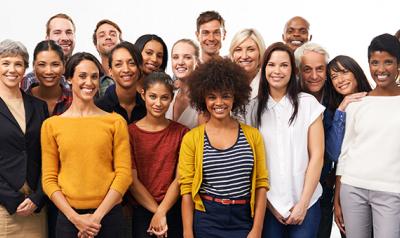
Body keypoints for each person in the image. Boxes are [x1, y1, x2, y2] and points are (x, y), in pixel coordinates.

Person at [41, 52, 132, 238]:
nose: (89, 83)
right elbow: (49, 180)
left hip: (109, 217)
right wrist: (75, 218)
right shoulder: (52, 125)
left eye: (94, 76)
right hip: (69, 220)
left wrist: (96, 218)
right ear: (69, 79)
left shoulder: (115, 121)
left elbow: (124, 175)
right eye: (82, 76)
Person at [179, 58, 268, 238]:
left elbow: (261, 184)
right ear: (202, 98)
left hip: (243, 218)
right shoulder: (192, 139)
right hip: (207, 218)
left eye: (225, 95)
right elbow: (186, 189)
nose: (219, 102)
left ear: (235, 97)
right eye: (212, 97)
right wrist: (188, 233)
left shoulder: (253, 136)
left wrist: (257, 229)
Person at [247, 42, 324, 238]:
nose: (277, 71)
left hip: (307, 203)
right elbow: (252, 162)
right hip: (269, 204)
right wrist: (270, 204)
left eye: (284, 65)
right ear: (263, 69)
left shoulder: (308, 104)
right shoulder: (252, 109)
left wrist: (303, 204)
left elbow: (317, 155)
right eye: (271, 65)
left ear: (293, 70)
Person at [337, 33, 400, 238]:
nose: (380, 70)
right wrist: (337, 195)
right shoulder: (358, 103)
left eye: (388, 62)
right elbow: (345, 153)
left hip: (392, 190)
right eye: (375, 62)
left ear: (398, 64)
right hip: (353, 188)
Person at [129, 72, 189, 238]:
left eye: (164, 97)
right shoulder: (130, 133)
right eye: (153, 96)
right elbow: (132, 181)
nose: (158, 103)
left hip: (173, 209)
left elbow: (180, 178)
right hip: (142, 210)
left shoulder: (182, 133)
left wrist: (162, 211)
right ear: (143, 95)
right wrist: (158, 213)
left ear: (171, 98)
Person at [0, 39, 48, 237]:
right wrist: (12, 198)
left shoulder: (38, 106)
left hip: (35, 207)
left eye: (18, 64)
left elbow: (47, 155)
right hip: (3, 207)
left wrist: (38, 198)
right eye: (5, 63)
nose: (12, 69)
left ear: (26, 69)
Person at [322, 55, 372, 237]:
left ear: (356, 71)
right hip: (350, 187)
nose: (340, 80)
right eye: (334, 77)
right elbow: (336, 154)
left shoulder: (377, 99)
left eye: (344, 72)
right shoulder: (334, 111)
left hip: (381, 186)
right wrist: (341, 110)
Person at [294, 42, 336, 238]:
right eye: (307, 70)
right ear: (298, 71)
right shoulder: (289, 100)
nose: (314, 76)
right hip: (293, 188)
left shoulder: (336, 99)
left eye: (320, 69)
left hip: (325, 187)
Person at [21, 13, 76, 91]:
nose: (65, 38)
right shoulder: (31, 79)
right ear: (47, 39)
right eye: (57, 33)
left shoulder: (83, 74)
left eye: (69, 32)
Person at [96, 41, 146, 124]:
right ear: (110, 71)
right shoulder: (99, 108)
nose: (126, 69)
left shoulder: (147, 106)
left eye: (132, 63)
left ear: (140, 68)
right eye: (118, 64)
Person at [27, 40, 72, 116]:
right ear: (34, 66)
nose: (48, 71)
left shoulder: (74, 100)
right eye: (42, 64)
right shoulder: (22, 99)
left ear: (64, 66)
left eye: (55, 64)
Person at [166, 39, 202, 129]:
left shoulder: (203, 99)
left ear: (196, 62)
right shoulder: (168, 94)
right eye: (175, 57)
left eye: (187, 57)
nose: (180, 62)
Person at [229, 28, 266, 109]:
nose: (244, 56)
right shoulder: (225, 83)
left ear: (260, 52)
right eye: (238, 50)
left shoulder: (270, 81)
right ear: (232, 54)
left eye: (251, 50)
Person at [92, 19, 123, 96]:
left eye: (113, 34)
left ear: (121, 42)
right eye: (102, 35)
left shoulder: (133, 72)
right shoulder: (92, 77)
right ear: (96, 45)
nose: (108, 37)